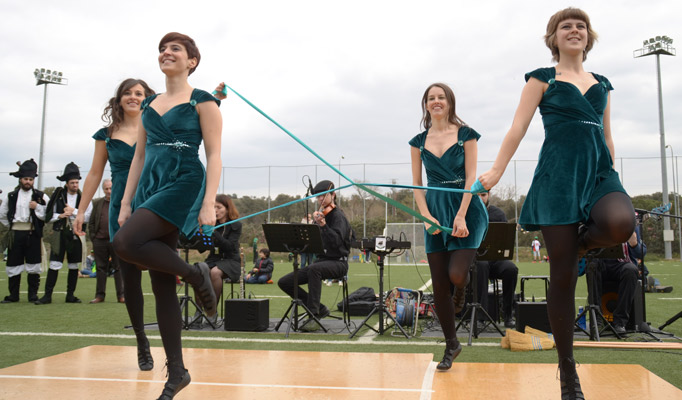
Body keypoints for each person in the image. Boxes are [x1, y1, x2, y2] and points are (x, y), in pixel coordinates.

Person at [478, 8, 635, 399]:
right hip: (558, 179)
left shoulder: (602, 83)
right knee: (563, 278)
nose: (575, 30)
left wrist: (611, 171)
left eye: (581, 25)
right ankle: (568, 373)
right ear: (554, 37)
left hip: (598, 174)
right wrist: (496, 171)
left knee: (621, 223)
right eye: (566, 26)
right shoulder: (541, 78)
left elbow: (607, 134)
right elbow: (518, 126)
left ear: (589, 36)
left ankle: (582, 242)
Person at [112, 32, 222, 400]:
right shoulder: (150, 105)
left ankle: (194, 274)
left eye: (175, 49)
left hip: (183, 181)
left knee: (125, 243)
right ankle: (177, 372)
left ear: (192, 60)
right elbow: (139, 158)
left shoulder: (203, 101)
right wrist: (127, 203)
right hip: (149, 184)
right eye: (162, 49)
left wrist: (208, 203)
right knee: (161, 284)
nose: (166, 53)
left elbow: (215, 155)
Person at [73, 78, 157, 372]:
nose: (133, 97)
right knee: (130, 276)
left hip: (154, 198)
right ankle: (141, 342)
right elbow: (95, 173)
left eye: (139, 93)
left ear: (148, 97)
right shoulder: (106, 135)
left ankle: (172, 344)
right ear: (119, 99)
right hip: (121, 205)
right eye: (127, 93)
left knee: (160, 274)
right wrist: (80, 212)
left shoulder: (157, 125)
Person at [409, 83, 488, 371]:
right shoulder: (417, 142)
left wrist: (461, 215)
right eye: (431, 98)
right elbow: (418, 184)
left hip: (466, 210)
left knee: (456, 275)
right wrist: (426, 215)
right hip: (435, 213)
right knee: (439, 286)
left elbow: (471, 179)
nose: (436, 101)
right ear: (426, 105)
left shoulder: (466, 135)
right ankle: (451, 343)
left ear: (450, 102)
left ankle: (462, 289)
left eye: (441, 97)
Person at [278, 180, 351, 332]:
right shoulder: (320, 217)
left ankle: (314, 314)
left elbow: (337, 242)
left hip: (339, 263)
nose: (320, 200)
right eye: (318, 197)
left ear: (333, 195)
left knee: (314, 269)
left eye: (323, 196)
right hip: (321, 262)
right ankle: (321, 308)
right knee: (284, 282)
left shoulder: (338, 217)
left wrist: (324, 226)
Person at [36, 162, 92, 305]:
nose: (75, 185)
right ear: (66, 183)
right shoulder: (58, 195)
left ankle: (70, 295)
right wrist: (60, 216)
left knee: (74, 265)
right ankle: (47, 296)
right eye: (72, 182)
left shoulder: (84, 196)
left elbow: (88, 216)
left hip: (76, 234)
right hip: (59, 234)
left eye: (77, 182)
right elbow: (48, 215)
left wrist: (73, 211)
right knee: (55, 264)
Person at [0, 159, 50, 303]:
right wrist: (12, 225)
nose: (28, 182)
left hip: (33, 233)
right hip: (15, 233)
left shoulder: (41, 196)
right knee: (13, 264)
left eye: (30, 179)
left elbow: (48, 214)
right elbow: (2, 214)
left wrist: (37, 207)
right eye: (25, 179)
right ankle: (13, 295)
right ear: (20, 179)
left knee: (34, 265)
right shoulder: (10, 196)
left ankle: (32, 295)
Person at [194, 194, 242, 324]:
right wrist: (199, 234)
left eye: (218, 207)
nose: (215, 210)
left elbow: (229, 247)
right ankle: (198, 312)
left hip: (230, 260)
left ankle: (212, 312)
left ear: (227, 208)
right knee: (198, 270)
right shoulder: (211, 224)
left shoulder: (235, 225)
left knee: (215, 272)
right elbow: (202, 250)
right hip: (213, 259)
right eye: (213, 207)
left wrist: (213, 232)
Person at [476, 191, 518, 328]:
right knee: (481, 265)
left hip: (496, 259)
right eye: (477, 195)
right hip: (475, 260)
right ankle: (481, 316)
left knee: (511, 269)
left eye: (483, 194)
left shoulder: (498, 214)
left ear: (488, 195)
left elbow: (505, 240)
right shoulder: (467, 213)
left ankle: (508, 315)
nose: (481, 198)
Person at [87, 179, 124, 303]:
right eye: (106, 189)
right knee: (100, 269)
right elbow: (91, 222)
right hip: (100, 241)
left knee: (118, 268)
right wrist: (94, 237)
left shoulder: (121, 202)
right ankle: (100, 296)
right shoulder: (97, 203)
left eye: (110, 188)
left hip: (116, 241)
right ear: (103, 190)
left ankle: (121, 295)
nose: (109, 191)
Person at [594, 232, 639, 334]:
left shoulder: (629, 225)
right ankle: (597, 319)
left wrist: (635, 244)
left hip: (622, 264)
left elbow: (640, 253)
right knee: (592, 266)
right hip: (600, 263)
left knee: (630, 270)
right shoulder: (596, 224)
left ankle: (620, 322)